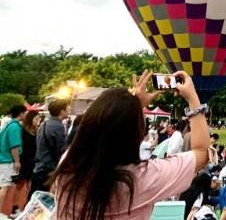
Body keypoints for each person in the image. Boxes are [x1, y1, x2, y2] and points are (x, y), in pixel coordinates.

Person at [51, 70, 210, 219]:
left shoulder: (68, 165)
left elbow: (106, 129)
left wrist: (132, 106)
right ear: (137, 134)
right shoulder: (143, 178)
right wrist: (193, 98)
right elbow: (202, 152)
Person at [30, 99, 69, 196]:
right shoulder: (57, 126)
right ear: (61, 111)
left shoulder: (45, 124)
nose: (69, 110)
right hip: (49, 169)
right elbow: (61, 150)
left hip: (39, 167)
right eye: (67, 108)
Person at [0, 104, 26, 216]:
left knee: (5, 186)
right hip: (7, 161)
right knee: (5, 187)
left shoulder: (9, 125)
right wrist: (17, 161)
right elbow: (14, 146)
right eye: (25, 113)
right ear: (21, 113)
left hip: (4, 159)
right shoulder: (15, 127)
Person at [14, 110, 40, 211]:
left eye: (39, 119)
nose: (38, 121)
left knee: (27, 184)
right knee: (20, 184)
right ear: (30, 119)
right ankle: (15, 207)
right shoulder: (23, 131)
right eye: (36, 119)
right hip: (25, 160)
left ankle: (21, 207)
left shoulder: (35, 130)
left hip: (32, 161)